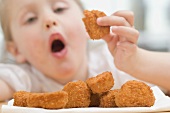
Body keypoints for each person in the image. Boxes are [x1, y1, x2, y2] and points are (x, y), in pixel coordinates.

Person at [0, 0, 159, 101]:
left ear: (87, 26)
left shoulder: (112, 62)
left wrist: (137, 62)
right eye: (30, 19)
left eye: (59, 8)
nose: (49, 20)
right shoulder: (24, 78)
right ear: (15, 50)